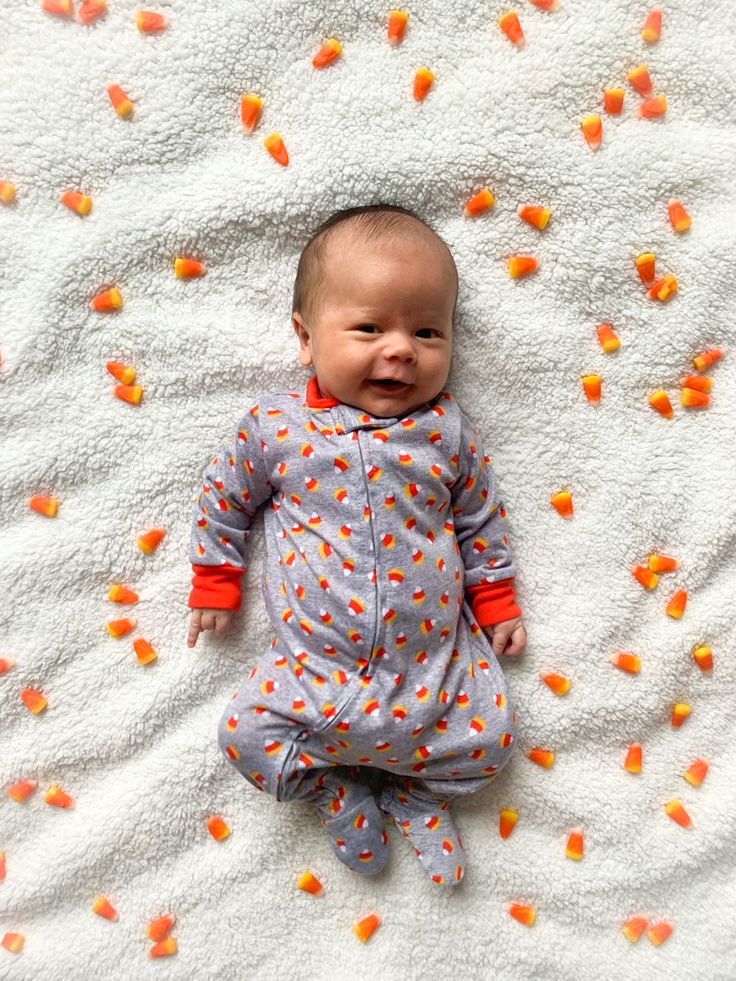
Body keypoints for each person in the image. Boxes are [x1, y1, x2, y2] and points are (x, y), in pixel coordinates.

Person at [186, 203, 527, 887]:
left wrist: (496, 599)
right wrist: (215, 579)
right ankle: (334, 790)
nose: (400, 348)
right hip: (316, 675)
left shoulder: (445, 432)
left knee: (493, 742)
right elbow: (224, 499)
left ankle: (415, 790)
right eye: (369, 327)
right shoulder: (276, 427)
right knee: (243, 737)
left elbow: (480, 520)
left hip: (431, 673)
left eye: (428, 331)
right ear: (306, 337)